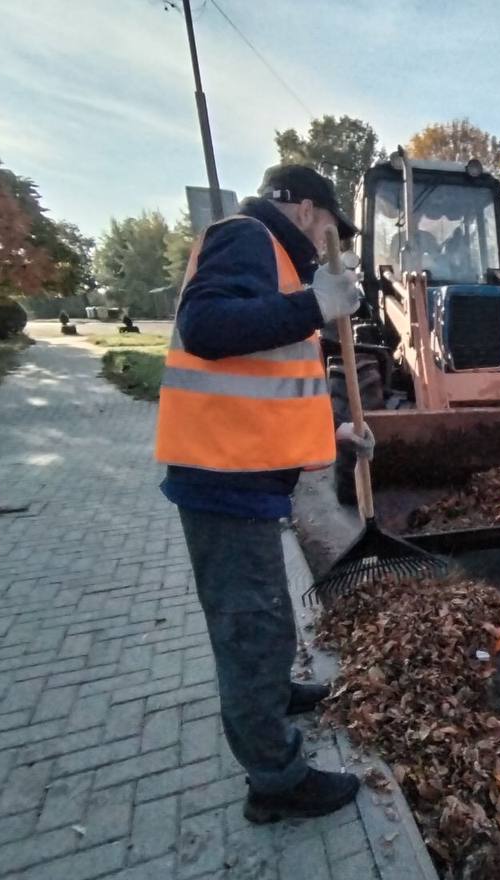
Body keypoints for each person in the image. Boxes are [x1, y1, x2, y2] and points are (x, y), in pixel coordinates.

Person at [154, 164, 372, 823]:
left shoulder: (273, 256)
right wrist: (315, 306)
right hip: (222, 478)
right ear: (305, 209)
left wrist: (336, 434)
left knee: (267, 613)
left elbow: (266, 380)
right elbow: (209, 328)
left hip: (241, 474)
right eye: (334, 227)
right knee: (250, 628)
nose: (333, 243)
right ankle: (276, 783)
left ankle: (273, 693)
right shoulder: (248, 237)